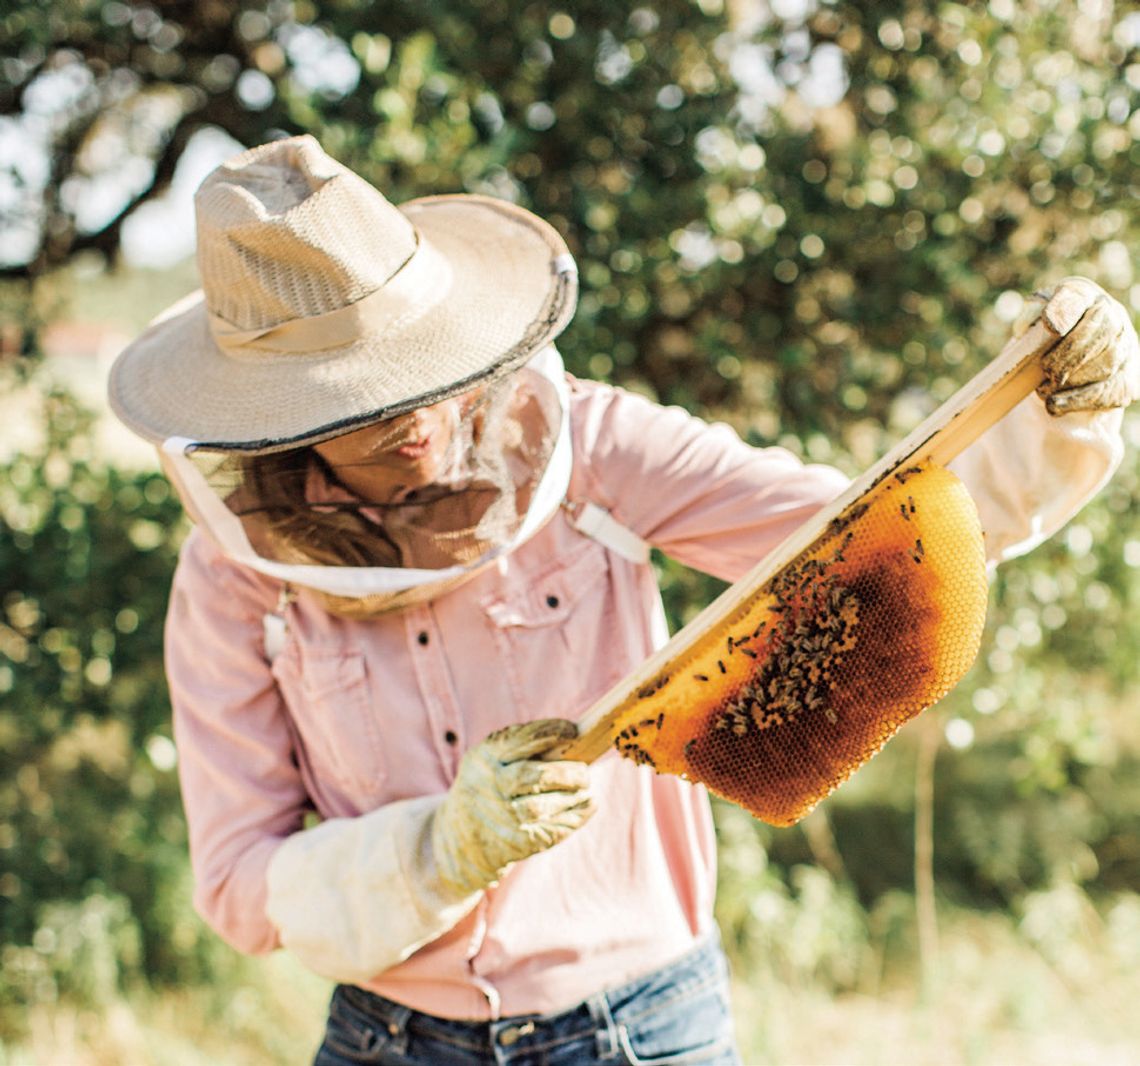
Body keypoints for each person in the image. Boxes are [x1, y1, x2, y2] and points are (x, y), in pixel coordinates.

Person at [107, 135, 1138, 1064]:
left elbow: (868, 534)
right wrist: (439, 848)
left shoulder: (588, 447)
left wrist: (1054, 415)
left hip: (642, 1024)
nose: (412, 413)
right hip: (390, 1036)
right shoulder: (237, 577)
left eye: (411, 363)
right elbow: (240, 884)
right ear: (274, 417)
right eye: (356, 392)